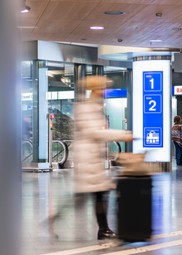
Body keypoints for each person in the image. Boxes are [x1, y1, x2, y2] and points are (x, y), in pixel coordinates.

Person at [46, 76, 133, 240]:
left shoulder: (94, 107)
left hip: (93, 159)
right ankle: (103, 229)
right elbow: (93, 132)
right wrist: (122, 134)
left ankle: (56, 222)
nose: (104, 90)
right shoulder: (84, 108)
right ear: (95, 89)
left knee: (87, 196)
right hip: (88, 160)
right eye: (102, 88)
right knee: (96, 194)